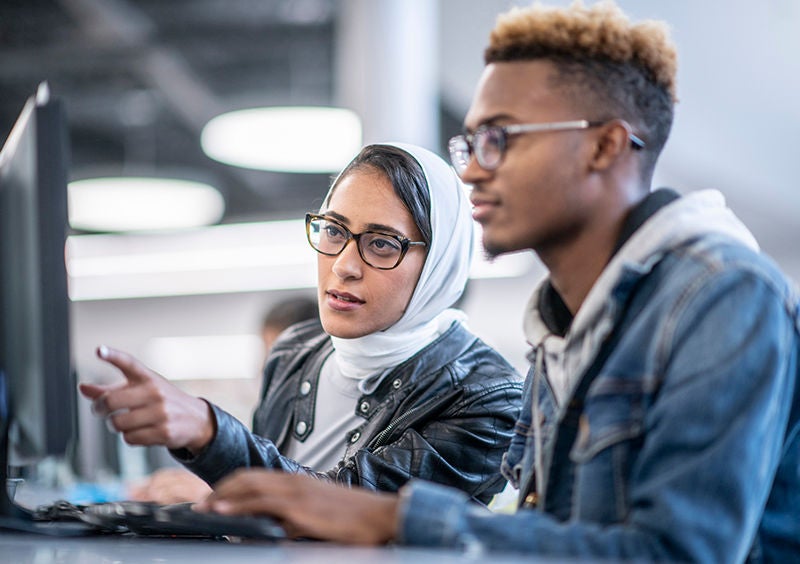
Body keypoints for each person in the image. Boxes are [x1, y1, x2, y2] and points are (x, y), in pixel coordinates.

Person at [194, 3, 800, 562]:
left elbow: (676, 553)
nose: (475, 171)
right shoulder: (562, 326)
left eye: (501, 139)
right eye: (472, 141)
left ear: (605, 146)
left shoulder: (722, 296)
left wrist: (395, 519)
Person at [79, 142, 523, 505]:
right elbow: (263, 522)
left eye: (382, 243)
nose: (344, 265)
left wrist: (211, 434)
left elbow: (354, 508)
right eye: (333, 231)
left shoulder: (488, 398)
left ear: (439, 264)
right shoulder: (296, 350)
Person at [126, 296, 320, 504]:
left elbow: (308, 503)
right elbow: (266, 477)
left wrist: (215, 495)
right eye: (267, 356)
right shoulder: (273, 417)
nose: (265, 367)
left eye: (280, 359)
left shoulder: (327, 427)